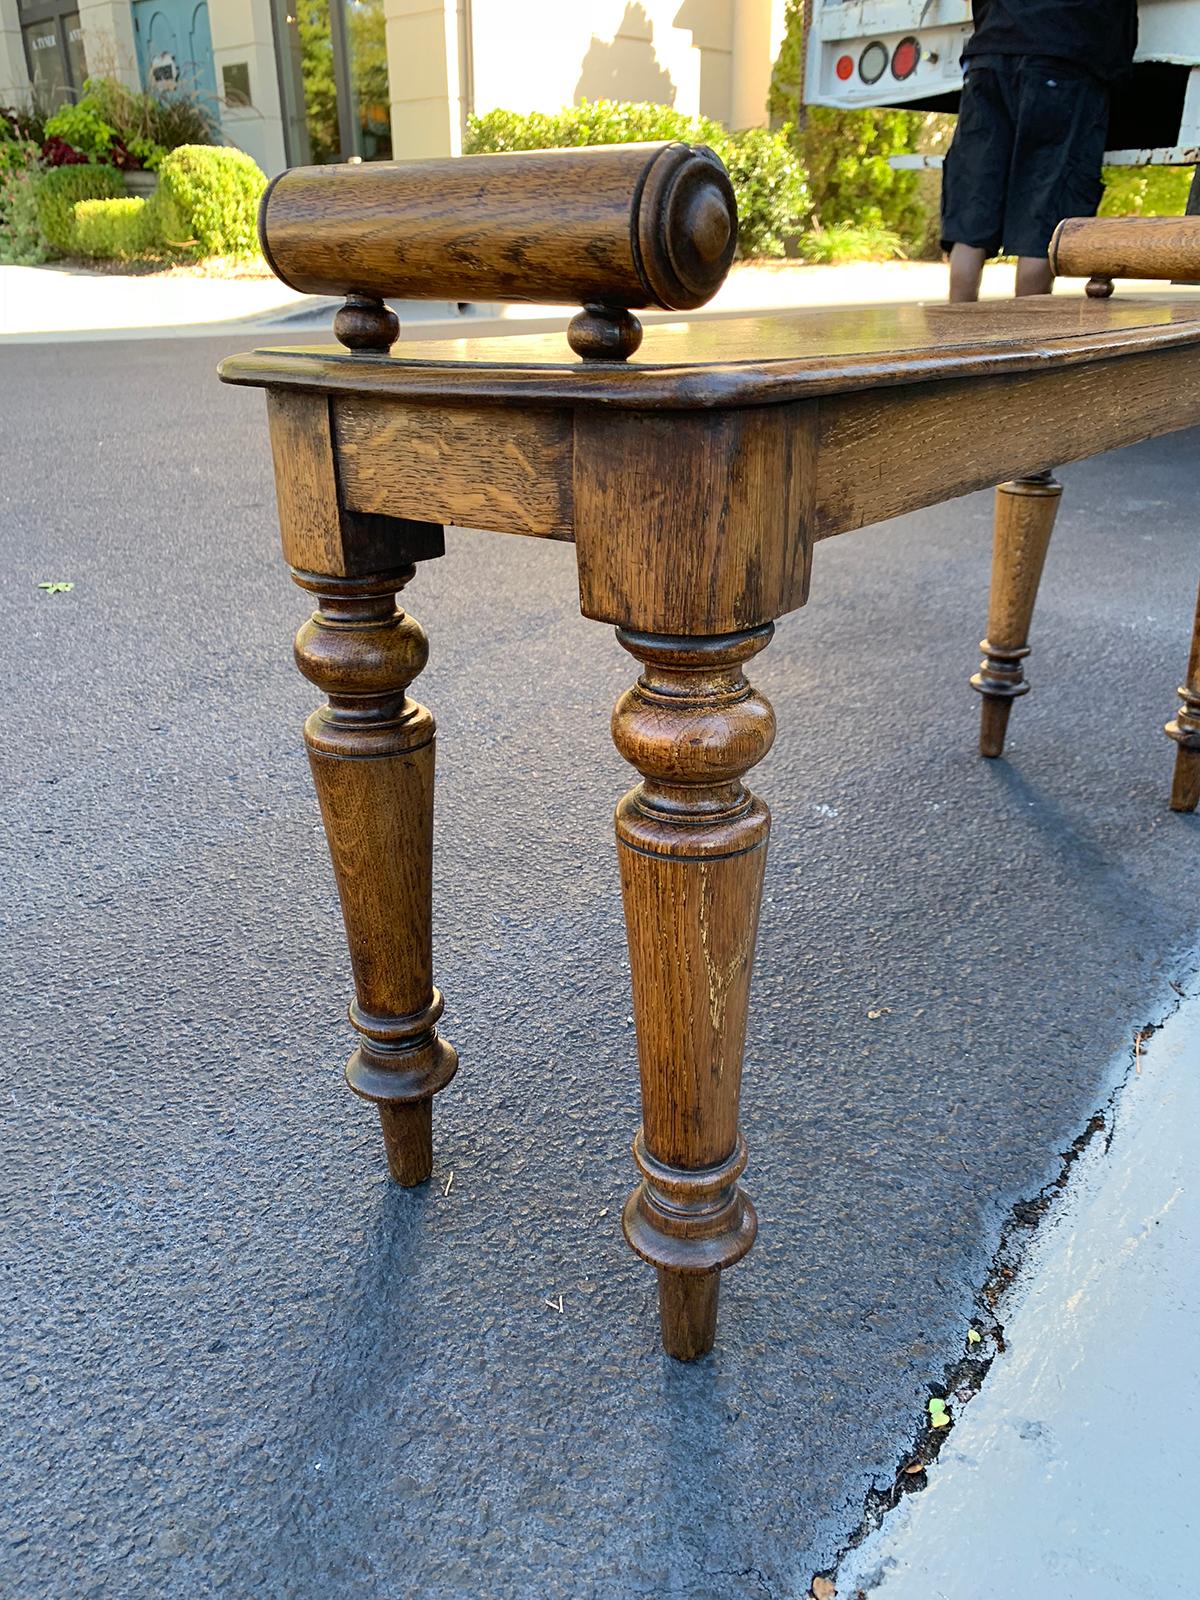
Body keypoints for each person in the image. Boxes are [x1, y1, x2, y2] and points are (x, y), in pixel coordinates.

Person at [941, 0, 1139, 302]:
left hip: (990, 56)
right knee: (1044, 215)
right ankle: (1028, 338)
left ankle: (955, 337)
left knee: (972, 214)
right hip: (1064, 54)